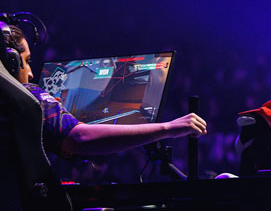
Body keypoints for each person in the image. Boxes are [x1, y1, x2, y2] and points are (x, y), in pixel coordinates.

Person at [2, 24, 208, 159]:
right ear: (10, 61)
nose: (30, 73)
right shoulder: (27, 98)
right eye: (27, 61)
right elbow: (80, 138)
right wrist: (168, 128)